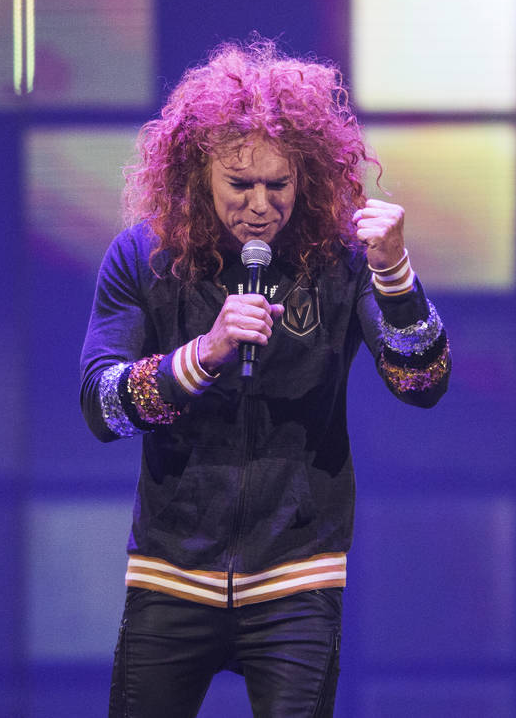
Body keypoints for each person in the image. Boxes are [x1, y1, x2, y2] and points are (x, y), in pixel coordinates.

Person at [81, 39, 450, 718]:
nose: (260, 206)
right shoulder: (143, 256)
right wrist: (203, 355)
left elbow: (421, 381)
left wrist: (395, 276)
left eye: (278, 186)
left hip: (296, 575)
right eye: (239, 185)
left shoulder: (343, 258)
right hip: (172, 570)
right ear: (199, 174)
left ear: (306, 176)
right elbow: (101, 407)